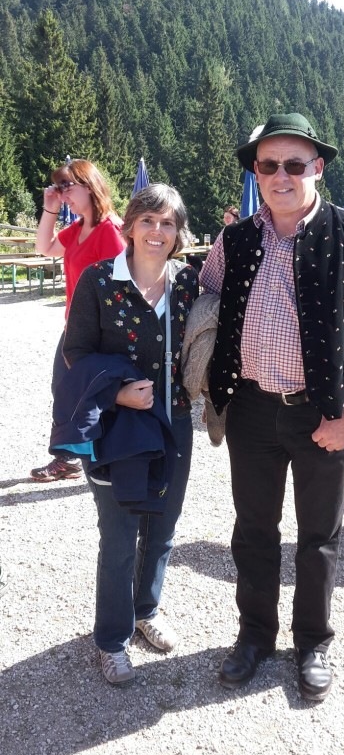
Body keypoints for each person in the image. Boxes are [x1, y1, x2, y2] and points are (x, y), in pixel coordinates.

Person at [200, 112, 344, 701]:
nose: (281, 175)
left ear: (317, 168)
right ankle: (254, 636)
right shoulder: (235, 239)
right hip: (251, 409)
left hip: (324, 413)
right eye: (269, 165)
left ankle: (313, 641)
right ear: (256, 173)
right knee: (253, 530)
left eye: (294, 164)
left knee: (318, 535)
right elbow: (205, 297)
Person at [60, 183, 198, 686]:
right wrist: (117, 394)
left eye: (167, 223)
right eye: (148, 221)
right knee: (119, 534)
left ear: (178, 233)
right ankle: (112, 638)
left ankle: (146, 610)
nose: (157, 231)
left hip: (174, 420)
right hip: (116, 426)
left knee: (162, 526)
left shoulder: (188, 283)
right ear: (130, 226)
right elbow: (75, 351)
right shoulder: (99, 280)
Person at [30, 159, 125, 482]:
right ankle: (70, 458)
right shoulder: (80, 227)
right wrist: (50, 208)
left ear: (90, 185)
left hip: (97, 332)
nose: (63, 194)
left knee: (87, 393)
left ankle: (86, 458)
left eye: (67, 186)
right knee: (65, 389)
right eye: (59, 187)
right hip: (74, 328)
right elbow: (44, 247)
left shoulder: (109, 230)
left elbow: (120, 288)